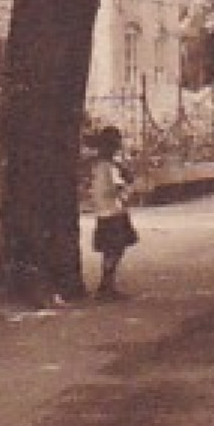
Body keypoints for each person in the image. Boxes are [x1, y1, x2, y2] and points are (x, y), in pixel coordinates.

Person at [89, 126, 138, 300]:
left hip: (107, 210)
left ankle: (107, 284)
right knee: (114, 249)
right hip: (112, 211)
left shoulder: (102, 165)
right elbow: (116, 188)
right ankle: (106, 285)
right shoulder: (107, 167)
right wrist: (127, 188)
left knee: (113, 249)